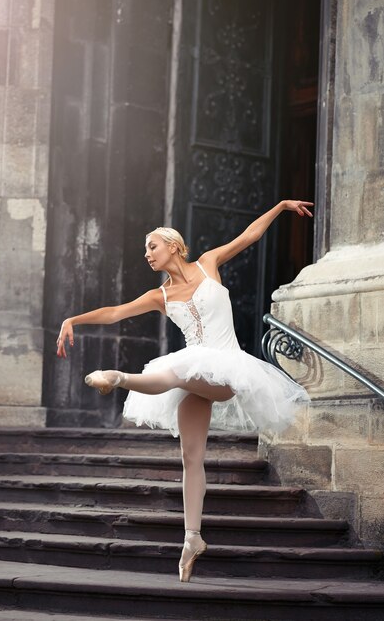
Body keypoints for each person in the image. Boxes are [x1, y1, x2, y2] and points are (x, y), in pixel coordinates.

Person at [56, 199, 313, 582]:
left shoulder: (208, 263)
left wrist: (279, 207)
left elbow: (249, 236)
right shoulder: (159, 296)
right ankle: (192, 537)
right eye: (146, 250)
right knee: (191, 457)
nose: (147, 255)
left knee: (174, 371)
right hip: (192, 375)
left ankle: (119, 378)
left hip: (226, 369)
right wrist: (71, 319)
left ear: (173, 245)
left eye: (152, 247)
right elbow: (114, 312)